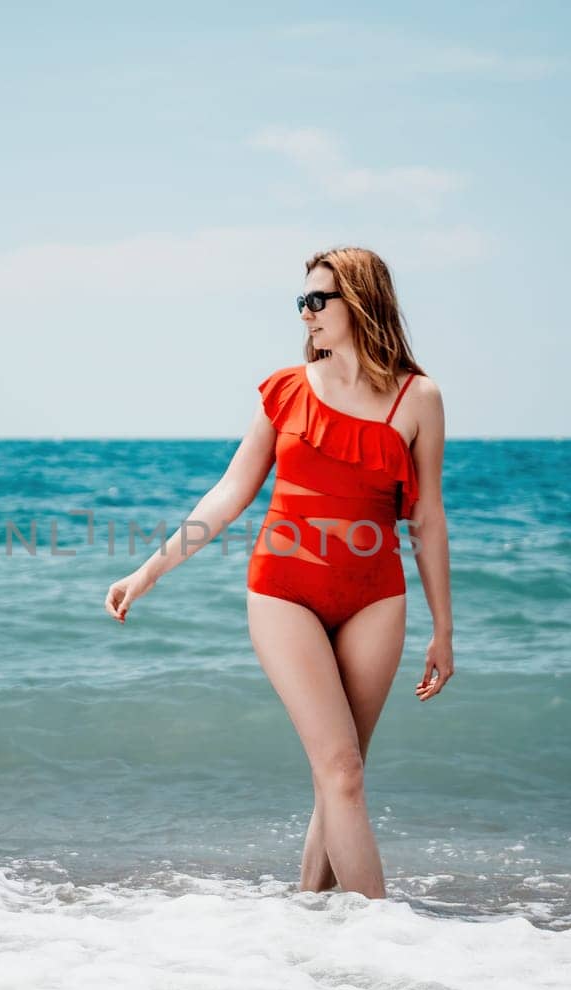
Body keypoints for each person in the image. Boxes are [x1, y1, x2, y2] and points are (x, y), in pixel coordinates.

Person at [103, 246, 454, 899]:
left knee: (342, 775)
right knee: (341, 770)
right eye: (302, 301)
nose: (306, 312)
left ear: (360, 301)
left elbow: (428, 517)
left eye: (319, 299)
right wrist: (148, 571)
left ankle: (309, 921)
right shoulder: (286, 388)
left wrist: (444, 629)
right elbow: (230, 493)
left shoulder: (419, 398)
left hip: (376, 596)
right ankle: (391, 948)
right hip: (284, 591)